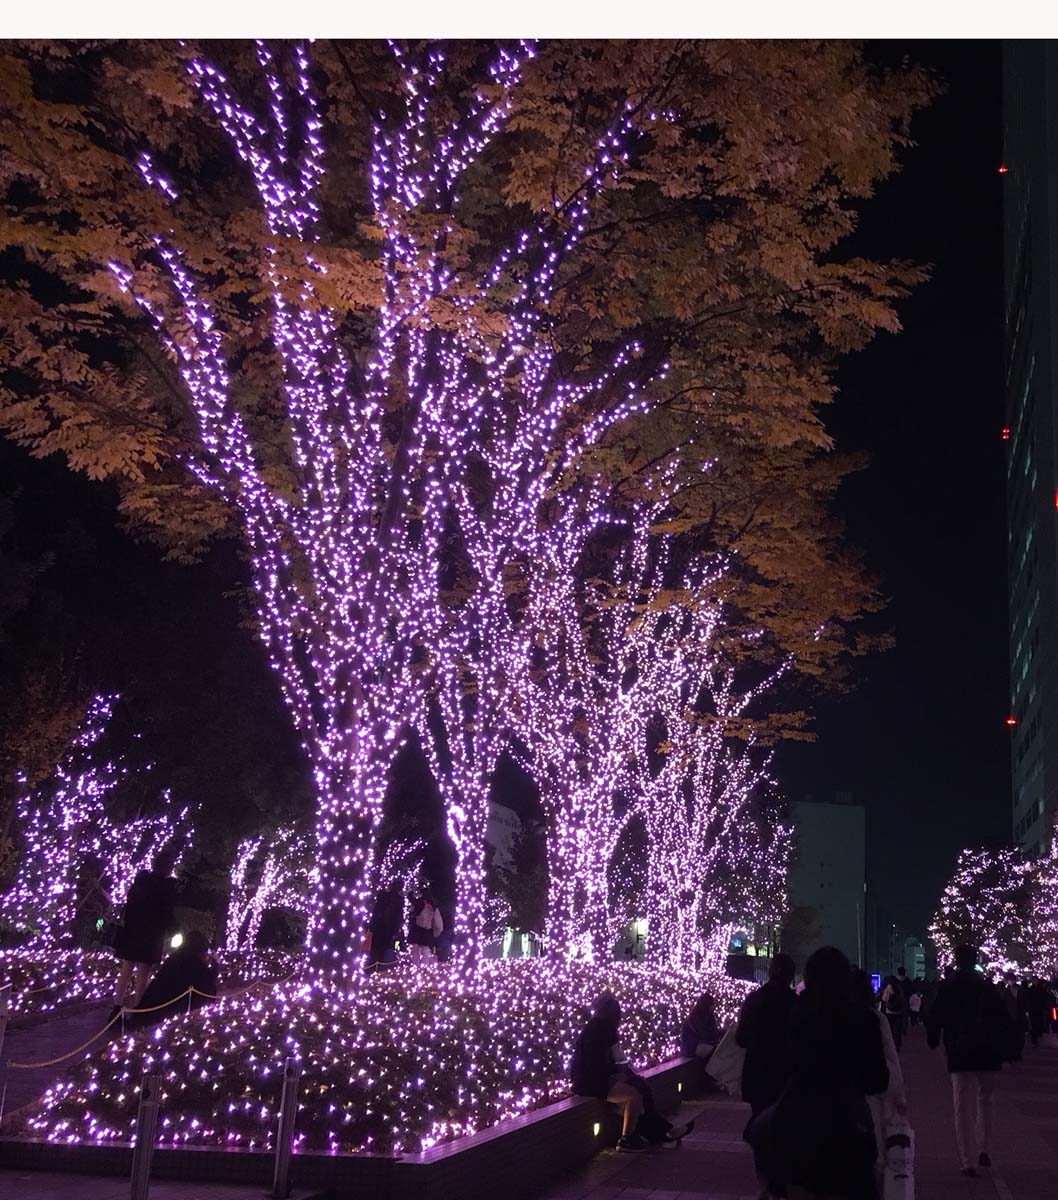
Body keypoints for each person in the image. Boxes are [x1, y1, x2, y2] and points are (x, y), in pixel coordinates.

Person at [751, 946, 888, 1200]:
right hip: (848, 1124)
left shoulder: (797, 1013)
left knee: (759, 1133)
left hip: (797, 1118)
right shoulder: (864, 1019)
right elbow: (877, 1080)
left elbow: (783, 1064)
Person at [926, 944, 1011, 1178]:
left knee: (962, 1103)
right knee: (986, 1099)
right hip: (987, 1051)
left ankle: (967, 1160)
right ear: (975, 960)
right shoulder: (987, 987)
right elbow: (1003, 1018)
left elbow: (935, 1015)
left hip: (959, 1049)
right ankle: (985, 1148)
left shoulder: (949, 986)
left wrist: (933, 1037)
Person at [570, 991, 693, 1152]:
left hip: (592, 1079)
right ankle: (627, 1139)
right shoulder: (603, 1030)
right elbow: (612, 1061)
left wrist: (625, 1074)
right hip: (593, 1082)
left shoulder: (595, 1028)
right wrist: (620, 1075)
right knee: (635, 1095)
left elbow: (615, 1060)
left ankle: (663, 1131)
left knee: (640, 1091)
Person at [735, 952, 797, 1192]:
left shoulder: (754, 1000)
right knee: (784, 1127)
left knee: (761, 1122)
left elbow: (741, 1039)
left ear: (771, 971)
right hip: (786, 1076)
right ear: (791, 975)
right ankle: (780, 1181)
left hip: (758, 1072)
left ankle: (765, 1181)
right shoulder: (795, 1003)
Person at [853, 968, 907, 1190]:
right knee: (874, 1149)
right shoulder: (874, 1017)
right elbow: (890, 1058)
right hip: (871, 1092)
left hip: (838, 1095)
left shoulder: (826, 1015)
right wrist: (899, 1096)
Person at [110, 850, 179, 1017]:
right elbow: (167, 912)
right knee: (143, 972)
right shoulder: (168, 887)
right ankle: (138, 1008)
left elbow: (130, 903)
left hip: (133, 929)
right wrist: (172, 928)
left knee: (126, 969)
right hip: (152, 933)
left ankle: (117, 1007)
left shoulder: (141, 881)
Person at [126, 929, 219, 1028]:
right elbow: (208, 981)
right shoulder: (195, 963)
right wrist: (215, 963)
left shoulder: (175, 957)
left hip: (153, 1004)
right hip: (171, 1008)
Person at [681, 993, 722, 1060]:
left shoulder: (710, 1015)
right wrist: (721, 1033)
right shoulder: (695, 1017)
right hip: (693, 1048)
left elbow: (713, 1032)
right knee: (715, 1051)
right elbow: (705, 1035)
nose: (714, 1006)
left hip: (704, 1043)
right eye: (712, 1004)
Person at [408, 890, 443, 961]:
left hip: (417, 928)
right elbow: (437, 920)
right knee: (425, 949)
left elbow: (411, 900)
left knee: (415, 948)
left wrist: (411, 893)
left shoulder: (419, 902)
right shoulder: (433, 904)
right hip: (428, 929)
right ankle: (425, 968)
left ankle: (416, 966)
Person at [880, 971, 908, 1051]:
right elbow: (902, 999)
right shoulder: (899, 988)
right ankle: (898, 1044)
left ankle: (892, 1045)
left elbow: (884, 999)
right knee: (898, 1029)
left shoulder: (888, 988)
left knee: (891, 1029)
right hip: (899, 1011)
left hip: (890, 1011)